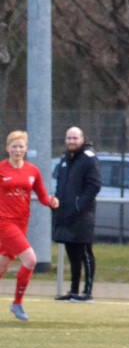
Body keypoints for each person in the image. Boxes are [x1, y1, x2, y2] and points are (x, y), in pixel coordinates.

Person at [0, 130, 59, 320]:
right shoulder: (1, 169)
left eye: (21, 146)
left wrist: (51, 202)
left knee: (2, 265)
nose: (18, 150)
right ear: (7, 148)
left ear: (26, 149)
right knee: (31, 260)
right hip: (4, 223)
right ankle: (17, 303)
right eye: (14, 146)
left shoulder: (32, 171)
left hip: (21, 223)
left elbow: (42, 196)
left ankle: (17, 303)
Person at [52, 126, 102, 302]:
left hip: (82, 216)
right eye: (69, 138)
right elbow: (60, 184)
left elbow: (94, 185)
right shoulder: (65, 159)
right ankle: (73, 291)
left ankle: (87, 292)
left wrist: (79, 205)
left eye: (75, 138)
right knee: (72, 254)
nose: (71, 141)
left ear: (82, 139)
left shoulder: (89, 158)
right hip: (66, 214)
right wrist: (57, 203)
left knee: (85, 253)